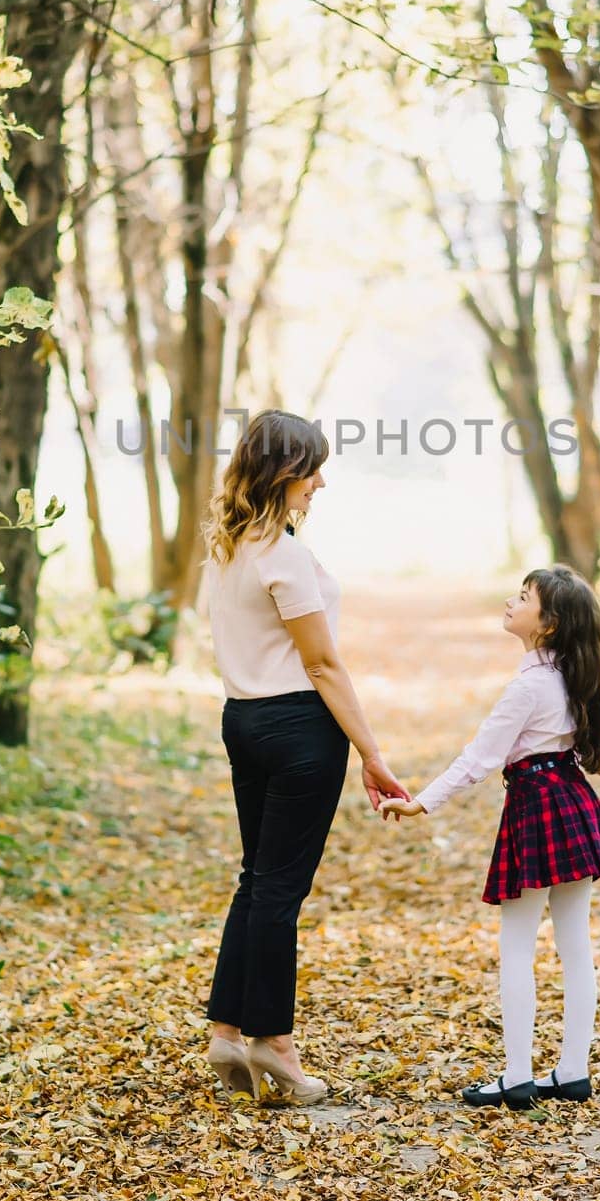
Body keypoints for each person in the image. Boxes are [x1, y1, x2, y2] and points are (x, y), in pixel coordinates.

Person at [201, 409, 409, 1105]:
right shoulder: (283, 557)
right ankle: (275, 1045)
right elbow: (323, 665)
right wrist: (372, 756)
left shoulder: (230, 545)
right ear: (285, 473)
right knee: (280, 891)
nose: (320, 482)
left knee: (255, 878)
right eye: (312, 470)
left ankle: (228, 1029)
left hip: (242, 720)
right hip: (297, 728)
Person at [380, 564, 600, 1111]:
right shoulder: (572, 674)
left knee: (517, 945)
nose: (511, 602)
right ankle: (572, 1071)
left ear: (549, 623)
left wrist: (423, 801)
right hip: (571, 799)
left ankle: (518, 1075)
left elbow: (481, 758)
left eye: (524, 598)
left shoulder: (530, 685)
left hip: (537, 806)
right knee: (574, 944)